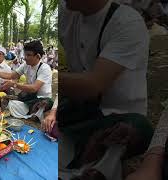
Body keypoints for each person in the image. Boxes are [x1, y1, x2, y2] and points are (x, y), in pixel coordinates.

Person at [59, 0, 153, 179]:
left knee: (133, 129)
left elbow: (94, 84)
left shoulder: (128, 22)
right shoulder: (67, 13)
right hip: (80, 109)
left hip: (118, 115)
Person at [0, 40, 53, 122]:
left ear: (38, 56)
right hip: (29, 97)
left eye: (28, 55)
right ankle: (35, 113)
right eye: (25, 54)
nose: (25, 57)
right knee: (7, 100)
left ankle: (39, 113)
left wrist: (14, 84)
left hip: (41, 99)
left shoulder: (45, 68)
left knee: (41, 104)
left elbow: (34, 88)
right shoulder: (26, 65)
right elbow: (11, 75)